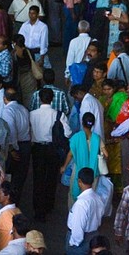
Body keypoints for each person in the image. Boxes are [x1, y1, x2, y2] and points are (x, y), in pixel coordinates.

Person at [30, 87, 72, 221]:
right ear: (52, 99)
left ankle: (38, 210)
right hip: (53, 149)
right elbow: (68, 133)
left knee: (38, 179)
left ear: (39, 98)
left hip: (37, 149)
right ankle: (48, 205)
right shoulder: (58, 115)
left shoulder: (32, 114)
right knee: (51, 178)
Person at [61, 111, 107, 205]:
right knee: (90, 196)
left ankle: (74, 214)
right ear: (93, 124)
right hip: (93, 173)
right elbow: (106, 154)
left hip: (78, 170)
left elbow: (70, 154)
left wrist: (64, 167)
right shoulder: (97, 138)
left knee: (73, 195)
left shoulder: (76, 137)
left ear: (82, 123)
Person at [66, 167, 104, 254]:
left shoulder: (81, 203)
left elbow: (78, 228)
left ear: (79, 181)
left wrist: (73, 243)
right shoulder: (98, 198)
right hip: (93, 236)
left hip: (80, 243)